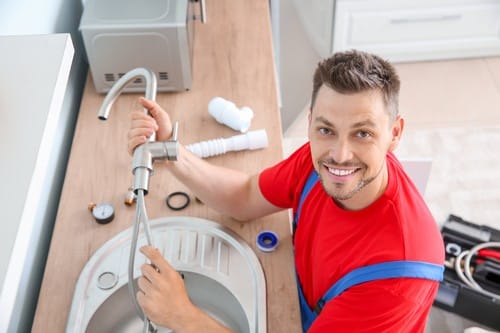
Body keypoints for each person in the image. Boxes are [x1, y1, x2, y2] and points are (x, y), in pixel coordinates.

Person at [128, 49, 445, 332]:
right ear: (311, 123)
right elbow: (245, 196)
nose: (340, 154)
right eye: (326, 129)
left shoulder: (397, 276)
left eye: (362, 133)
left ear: (395, 133)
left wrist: (183, 316)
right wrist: (172, 153)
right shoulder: (314, 160)